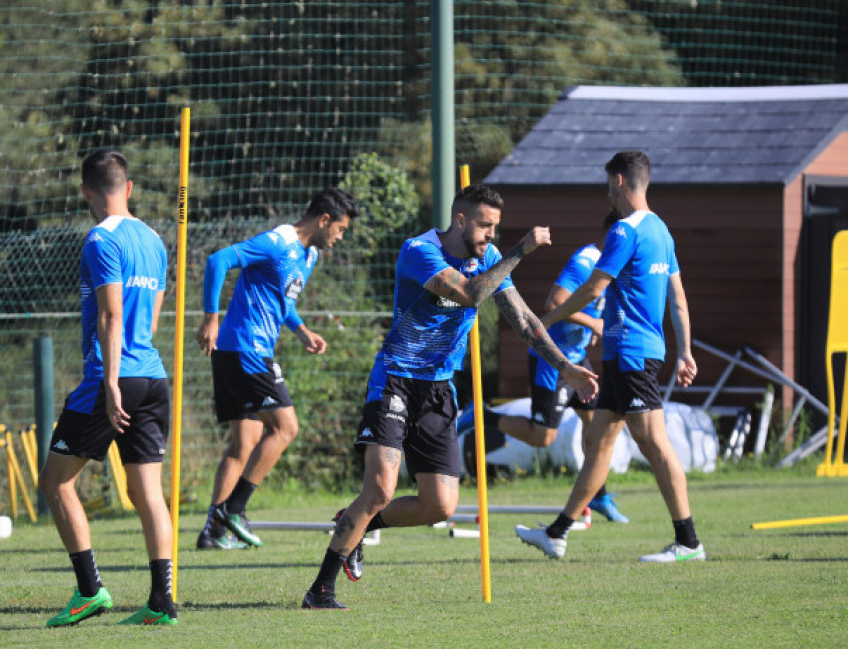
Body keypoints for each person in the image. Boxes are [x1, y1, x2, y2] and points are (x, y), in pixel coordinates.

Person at [302, 183, 599, 610]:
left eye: (497, 227)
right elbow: (470, 294)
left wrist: (566, 366)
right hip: (396, 380)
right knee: (380, 489)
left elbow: (526, 321)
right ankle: (320, 591)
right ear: (460, 220)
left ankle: (360, 524)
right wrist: (521, 249)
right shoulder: (419, 251)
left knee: (440, 504)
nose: (491, 235)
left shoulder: (490, 258)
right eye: (484, 225)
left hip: (440, 390)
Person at [515, 149, 705, 563]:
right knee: (599, 446)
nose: (607, 195)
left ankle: (689, 542)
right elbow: (679, 299)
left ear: (619, 181)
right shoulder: (662, 231)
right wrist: (685, 351)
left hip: (633, 354)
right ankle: (557, 533)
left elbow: (592, 289)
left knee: (655, 444)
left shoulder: (625, 231)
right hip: (628, 353)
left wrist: (548, 318)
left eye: (607, 185)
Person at [38, 148, 177, 626]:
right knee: (148, 494)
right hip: (153, 376)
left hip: (110, 378)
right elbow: (152, 318)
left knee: (55, 481)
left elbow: (110, 314)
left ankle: (89, 590)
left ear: (85, 192)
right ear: (130, 188)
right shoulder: (156, 240)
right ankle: (162, 603)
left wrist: (113, 382)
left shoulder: (101, 239)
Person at [195, 187, 358, 550]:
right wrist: (211, 318)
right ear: (324, 220)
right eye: (342, 229)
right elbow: (218, 260)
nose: (341, 237)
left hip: (243, 351)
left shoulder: (310, 255)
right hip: (245, 349)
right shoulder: (278, 241)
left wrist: (302, 331)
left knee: (245, 444)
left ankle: (214, 533)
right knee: (286, 428)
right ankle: (231, 510)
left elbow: (282, 300)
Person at [484, 209, 629, 523]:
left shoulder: (609, 264)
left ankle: (599, 496)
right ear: (611, 236)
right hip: (551, 359)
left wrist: (589, 329)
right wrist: (595, 324)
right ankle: (483, 417)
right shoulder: (585, 261)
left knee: (598, 427)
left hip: (577, 357)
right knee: (543, 438)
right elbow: (554, 303)